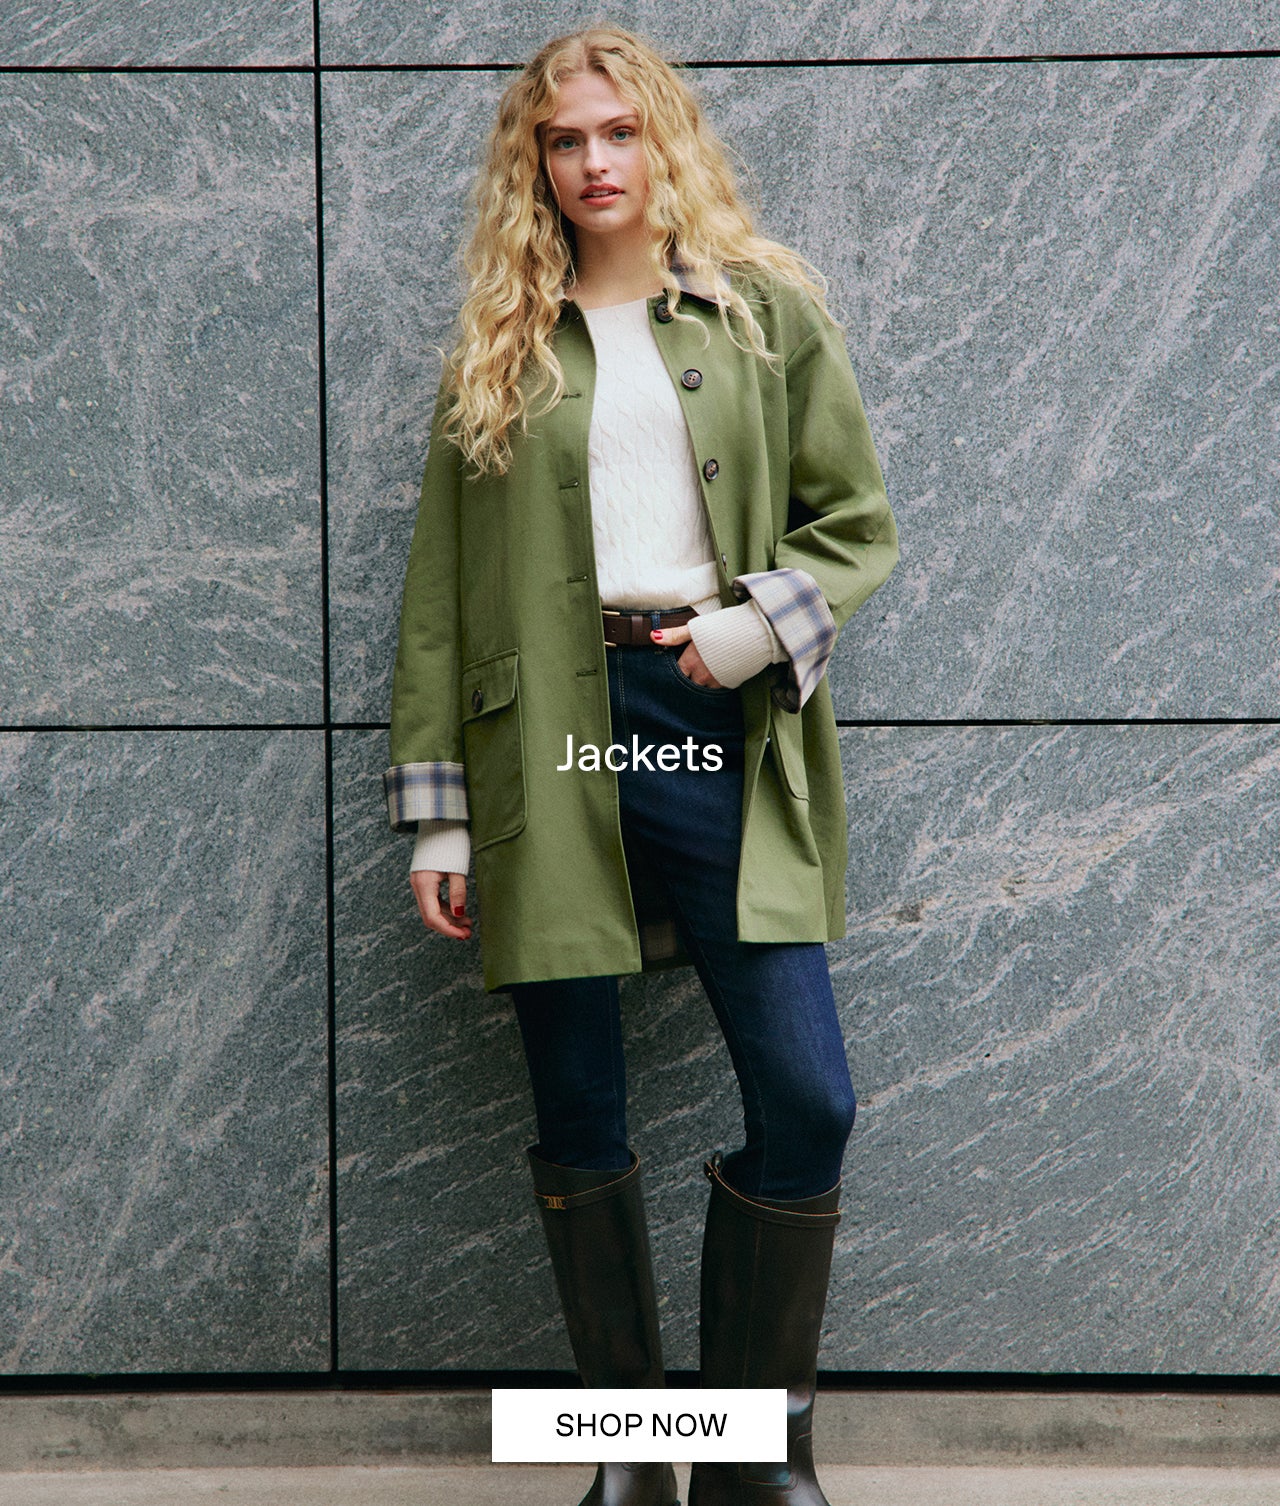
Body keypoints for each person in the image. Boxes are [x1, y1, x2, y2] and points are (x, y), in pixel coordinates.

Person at [384, 26, 898, 1506]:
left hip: (707, 709)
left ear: (661, 137)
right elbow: (441, 593)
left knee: (808, 1098)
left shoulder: (761, 311)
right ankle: (632, 1459)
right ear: (533, 162)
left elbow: (856, 522)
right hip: (548, 736)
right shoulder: (503, 341)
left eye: (617, 131)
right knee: (579, 1106)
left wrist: (749, 631)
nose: (593, 161)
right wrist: (441, 819)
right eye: (564, 139)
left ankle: (748, 1457)